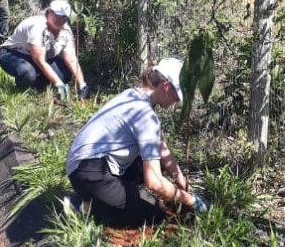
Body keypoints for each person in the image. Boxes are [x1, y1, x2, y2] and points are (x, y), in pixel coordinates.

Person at [66, 58, 208, 227]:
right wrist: (191, 201)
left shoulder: (134, 94)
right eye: (177, 96)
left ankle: (105, 199)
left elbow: (161, 148)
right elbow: (154, 182)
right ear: (166, 87)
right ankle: (88, 208)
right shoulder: (145, 115)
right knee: (154, 214)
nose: (176, 101)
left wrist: (180, 180)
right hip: (91, 172)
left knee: (155, 164)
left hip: (83, 165)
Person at [0, 0, 89, 99]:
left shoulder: (66, 31)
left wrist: (82, 85)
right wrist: (58, 84)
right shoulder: (38, 27)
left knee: (65, 73)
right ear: (49, 12)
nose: (60, 20)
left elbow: (71, 58)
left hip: (41, 58)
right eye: (57, 15)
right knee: (27, 73)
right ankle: (21, 87)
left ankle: (37, 85)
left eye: (64, 18)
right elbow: (40, 61)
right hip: (14, 53)